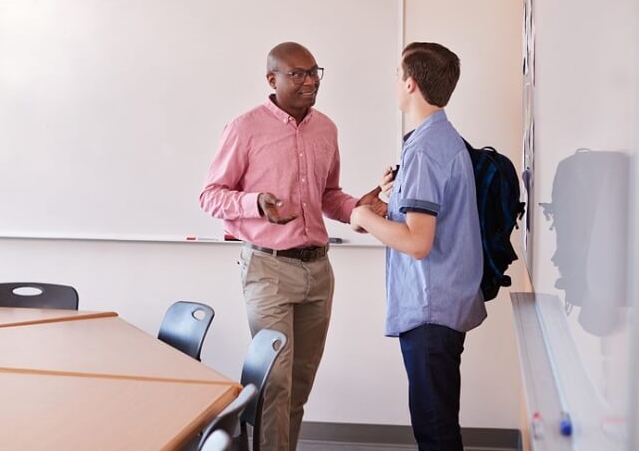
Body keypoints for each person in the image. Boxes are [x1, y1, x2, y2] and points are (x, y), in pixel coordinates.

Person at [199, 42, 384, 451]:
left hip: (318, 271)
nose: (309, 81)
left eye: (314, 71)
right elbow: (210, 195)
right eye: (297, 74)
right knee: (275, 383)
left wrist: (359, 209)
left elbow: (329, 195)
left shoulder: (326, 128)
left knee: (299, 384)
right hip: (267, 269)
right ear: (272, 79)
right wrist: (255, 204)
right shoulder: (245, 128)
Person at [350, 42, 487, 451]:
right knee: (438, 421)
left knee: (435, 431)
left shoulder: (426, 149)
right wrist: (390, 203)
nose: (394, 81)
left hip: (431, 310)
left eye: (397, 74)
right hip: (444, 303)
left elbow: (418, 242)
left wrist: (364, 217)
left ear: (410, 84)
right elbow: (426, 220)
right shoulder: (438, 138)